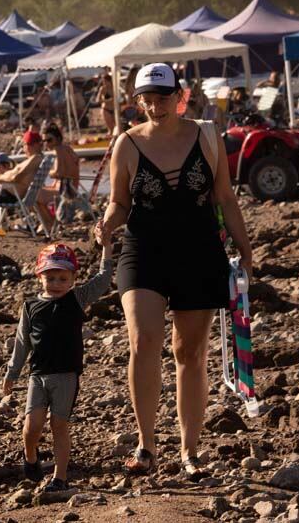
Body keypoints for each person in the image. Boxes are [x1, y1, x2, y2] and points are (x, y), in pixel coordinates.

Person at [97, 63, 253, 479]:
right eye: (145, 98)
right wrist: (107, 222)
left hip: (199, 250)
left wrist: (244, 245)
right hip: (143, 250)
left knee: (189, 353)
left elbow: (224, 196)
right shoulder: (126, 144)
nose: (153, 105)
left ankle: (189, 451)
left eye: (161, 97)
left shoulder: (206, 136)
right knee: (143, 339)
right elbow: (119, 202)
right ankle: (146, 445)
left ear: (179, 96)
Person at [2, 238, 113, 491]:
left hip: (66, 375)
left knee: (58, 425)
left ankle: (59, 478)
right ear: (39, 276)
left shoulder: (76, 299)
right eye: (50, 278)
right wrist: (12, 373)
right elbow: (22, 342)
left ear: (73, 278)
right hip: (37, 376)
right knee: (32, 428)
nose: (56, 284)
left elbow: (104, 279)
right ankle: (31, 456)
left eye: (62, 278)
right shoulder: (31, 306)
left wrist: (106, 247)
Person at [37, 124, 80, 228]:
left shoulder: (58, 150)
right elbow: (66, 172)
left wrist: (47, 172)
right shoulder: (67, 148)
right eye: (44, 141)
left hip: (66, 191)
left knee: (34, 195)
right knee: (36, 192)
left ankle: (50, 224)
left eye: (49, 140)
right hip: (71, 188)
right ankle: (50, 223)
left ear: (58, 138)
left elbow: (59, 172)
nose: (47, 144)